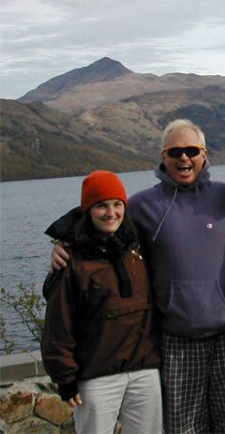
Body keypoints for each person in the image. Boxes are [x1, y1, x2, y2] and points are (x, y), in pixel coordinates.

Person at [47, 120, 225, 434]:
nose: (184, 159)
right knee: (182, 428)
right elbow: (103, 216)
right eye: (175, 152)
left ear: (204, 154)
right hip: (175, 338)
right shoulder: (143, 205)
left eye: (191, 151)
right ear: (163, 157)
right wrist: (63, 242)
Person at [41, 170, 162, 434]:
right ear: (88, 210)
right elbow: (58, 325)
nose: (111, 213)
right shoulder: (71, 261)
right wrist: (65, 377)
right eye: (101, 206)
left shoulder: (137, 247)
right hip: (95, 374)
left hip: (145, 368)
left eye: (117, 204)